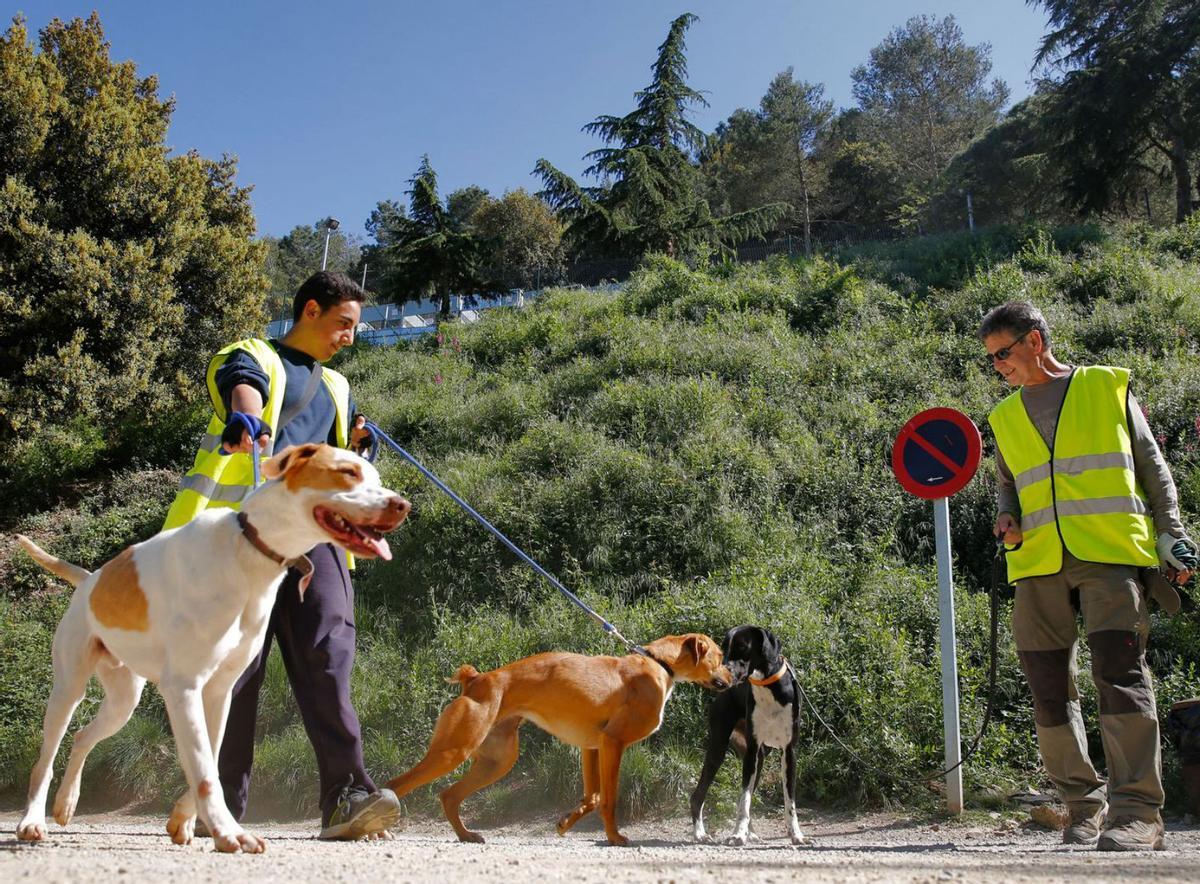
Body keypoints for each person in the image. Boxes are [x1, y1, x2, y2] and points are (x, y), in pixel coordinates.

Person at [162, 271, 394, 840]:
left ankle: (348, 797)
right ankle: (219, 805)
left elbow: (337, 455)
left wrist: (360, 442)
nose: (350, 336)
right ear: (310, 311)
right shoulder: (253, 354)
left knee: (329, 659)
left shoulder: (338, 387)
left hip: (317, 545)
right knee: (235, 673)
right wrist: (247, 414)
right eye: (344, 323)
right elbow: (240, 383)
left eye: (354, 328)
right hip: (239, 542)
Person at [979, 301, 1195, 852]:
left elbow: (1153, 466)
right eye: (991, 360)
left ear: (1035, 341)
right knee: (1049, 689)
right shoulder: (1003, 416)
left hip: (1109, 554)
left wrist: (1171, 533)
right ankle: (1083, 806)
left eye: (1003, 353)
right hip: (1037, 563)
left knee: (1121, 678)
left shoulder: (1105, 387)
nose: (998, 366)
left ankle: (1138, 813)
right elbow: (1008, 484)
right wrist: (1008, 516)